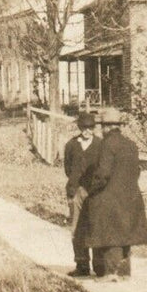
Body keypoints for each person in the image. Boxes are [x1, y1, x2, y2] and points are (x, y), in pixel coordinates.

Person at [82, 107, 147, 281]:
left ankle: (111, 273)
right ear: (118, 126)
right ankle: (124, 272)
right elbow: (136, 171)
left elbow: (103, 173)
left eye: (101, 127)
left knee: (110, 233)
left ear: (105, 127)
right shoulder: (131, 145)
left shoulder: (107, 144)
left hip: (110, 197)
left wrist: (92, 190)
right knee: (125, 233)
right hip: (130, 196)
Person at [63, 112, 99, 277]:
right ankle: (82, 264)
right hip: (76, 190)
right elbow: (68, 169)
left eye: (90, 127)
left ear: (94, 128)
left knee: (96, 226)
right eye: (84, 127)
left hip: (95, 192)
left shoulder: (100, 145)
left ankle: (100, 266)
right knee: (77, 228)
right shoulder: (71, 145)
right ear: (79, 127)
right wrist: (75, 186)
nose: (87, 131)